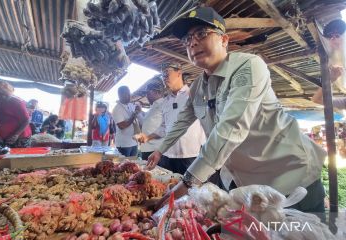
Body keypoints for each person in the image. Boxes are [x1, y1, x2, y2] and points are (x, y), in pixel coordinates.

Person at [146, 7, 327, 220]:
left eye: (202, 34)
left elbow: (231, 129)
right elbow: (182, 122)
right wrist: (159, 150)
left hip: (291, 179)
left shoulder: (249, 66)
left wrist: (187, 183)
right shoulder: (197, 87)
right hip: (251, 189)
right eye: (187, 39)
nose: (192, 42)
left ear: (224, 40)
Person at [137, 62, 206, 175]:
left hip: (189, 155)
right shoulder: (166, 101)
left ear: (179, 73)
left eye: (167, 74)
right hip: (167, 155)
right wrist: (148, 137)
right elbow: (164, 127)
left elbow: (205, 121)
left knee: (188, 189)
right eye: (162, 75)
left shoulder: (193, 94)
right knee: (168, 187)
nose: (164, 78)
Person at [0, 81, 31, 147]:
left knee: (15, 156)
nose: (0, 97)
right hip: (0, 136)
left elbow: (26, 120)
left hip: (19, 137)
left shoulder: (17, 102)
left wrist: (16, 135)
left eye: (2, 94)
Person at [135, 81, 165, 160]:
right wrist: (138, 113)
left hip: (156, 149)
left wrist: (148, 137)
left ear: (156, 92)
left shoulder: (164, 105)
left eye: (148, 93)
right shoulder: (152, 107)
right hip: (147, 147)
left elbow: (166, 128)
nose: (146, 96)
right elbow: (145, 123)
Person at [112, 86, 142, 157]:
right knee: (124, 165)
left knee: (133, 164)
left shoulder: (131, 105)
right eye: (126, 94)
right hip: (124, 144)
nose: (129, 96)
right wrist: (134, 115)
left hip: (134, 142)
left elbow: (139, 119)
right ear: (120, 95)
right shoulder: (117, 109)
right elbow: (122, 126)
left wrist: (138, 111)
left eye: (129, 94)